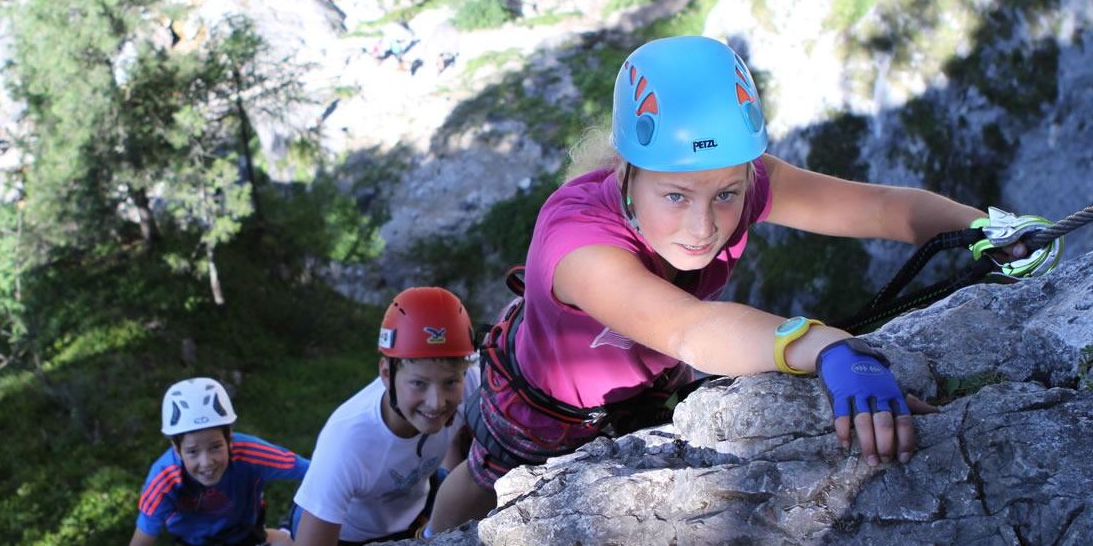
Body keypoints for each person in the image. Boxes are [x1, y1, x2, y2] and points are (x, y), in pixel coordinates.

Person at [426, 35, 1062, 533]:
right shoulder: (579, 244)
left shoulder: (739, 177)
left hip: (652, 376)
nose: (703, 226)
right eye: (674, 195)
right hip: (547, 399)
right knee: (488, 472)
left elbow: (882, 210)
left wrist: (981, 228)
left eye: (727, 193)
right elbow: (690, 328)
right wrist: (829, 346)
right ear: (627, 172)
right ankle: (434, 536)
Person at [285, 287, 480, 545]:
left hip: (415, 505)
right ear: (386, 375)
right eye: (419, 384)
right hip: (348, 534)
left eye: (450, 383)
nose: (437, 402)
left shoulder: (469, 382)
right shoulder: (347, 441)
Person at [129, 377, 309, 546]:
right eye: (192, 452)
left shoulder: (252, 454)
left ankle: (286, 532)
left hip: (247, 534)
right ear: (177, 449)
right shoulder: (163, 480)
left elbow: (316, 471)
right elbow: (142, 539)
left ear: (229, 438)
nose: (206, 462)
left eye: (216, 447)